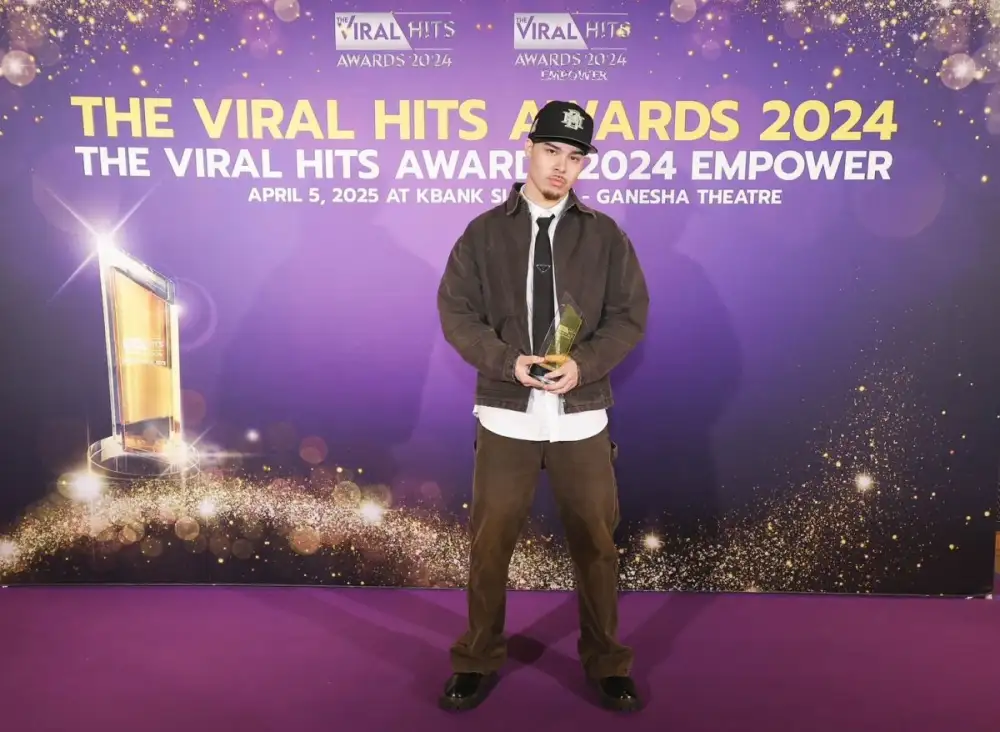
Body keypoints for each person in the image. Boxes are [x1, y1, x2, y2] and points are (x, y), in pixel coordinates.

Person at [435, 101, 650, 713]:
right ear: (528, 150)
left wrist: (586, 365)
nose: (562, 166)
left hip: (581, 418)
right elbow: (457, 314)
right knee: (489, 545)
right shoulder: (483, 233)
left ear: (583, 166)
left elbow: (628, 317)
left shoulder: (606, 236)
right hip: (507, 416)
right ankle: (476, 658)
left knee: (597, 545)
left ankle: (607, 663)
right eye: (552, 150)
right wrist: (509, 362)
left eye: (575, 157)